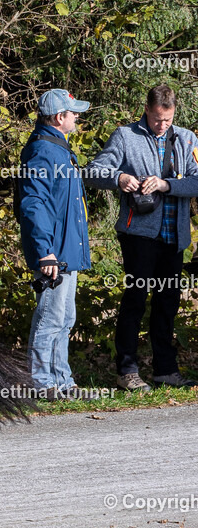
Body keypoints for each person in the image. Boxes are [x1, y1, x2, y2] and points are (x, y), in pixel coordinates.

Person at [84, 84, 198, 391]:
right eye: (158, 119)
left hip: (174, 237)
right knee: (135, 301)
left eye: (168, 119)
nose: (163, 125)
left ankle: (165, 370)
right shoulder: (125, 136)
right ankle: (127, 371)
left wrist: (165, 185)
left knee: (168, 303)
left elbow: (197, 182)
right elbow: (92, 172)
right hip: (138, 235)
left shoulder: (187, 138)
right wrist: (119, 177)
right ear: (146, 109)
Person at [16, 89, 95, 400]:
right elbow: (33, 204)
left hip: (65, 250)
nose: (77, 116)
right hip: (54, 252)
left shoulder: (60, 149)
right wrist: (44, 252)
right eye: (73, 112)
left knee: (65, 318)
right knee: (50, 317)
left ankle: (62, 381)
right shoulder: (42, 151)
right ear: (60, 117)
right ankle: (41, 382)